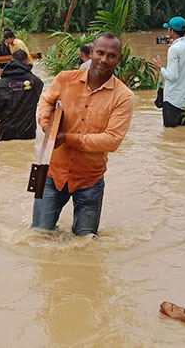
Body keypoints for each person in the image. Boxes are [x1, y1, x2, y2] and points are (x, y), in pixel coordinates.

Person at [32, 33, 135, 236]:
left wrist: (67, 139)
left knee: (85, 242)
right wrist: (46, 125)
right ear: (91, 54)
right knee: (38, 236)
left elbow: (112, 140)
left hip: (90, 180)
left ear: (119, 59)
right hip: (52, 173)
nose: (104, 59)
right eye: (100, 53)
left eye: (111, 55)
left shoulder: (123, 96)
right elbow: (46, 101)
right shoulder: (64, 79)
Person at [0, 50, 44, 141]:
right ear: (26, 61)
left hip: (7, 131)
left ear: (12, 61)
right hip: (28, 130)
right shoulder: (37, 82)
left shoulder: (2, 84)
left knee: (5, 153)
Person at [152, 16, 185, 127]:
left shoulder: (174, 49)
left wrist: (160, 67)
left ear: (172, 30)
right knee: (184, 131)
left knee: (170, 133)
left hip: (173, 100)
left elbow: (172, 76)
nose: (167, 31)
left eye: (168, 29)